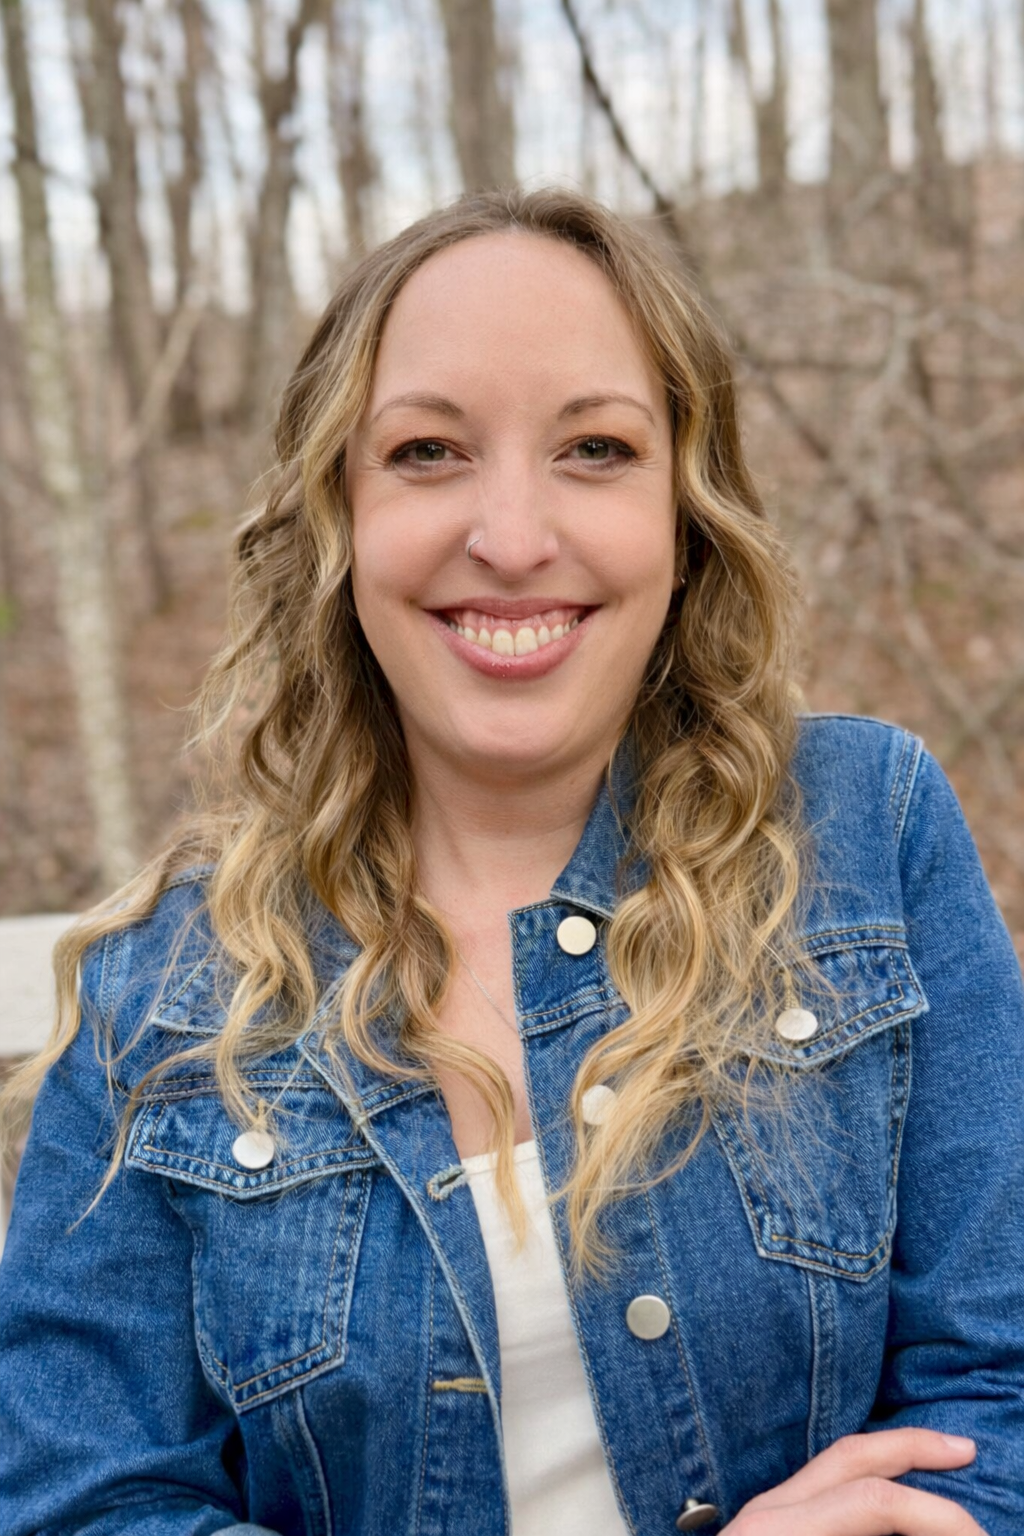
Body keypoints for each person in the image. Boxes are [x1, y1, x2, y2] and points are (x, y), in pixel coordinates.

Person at [0, 187, 1021, 1536]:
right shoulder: (164, 996)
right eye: (428, 452)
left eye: (595, 448)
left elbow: (995, 1393)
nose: (516, 538)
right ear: (336, 513)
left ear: (685, 511)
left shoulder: (863, 833)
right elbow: (81, 1504)